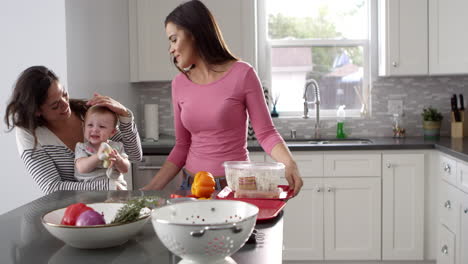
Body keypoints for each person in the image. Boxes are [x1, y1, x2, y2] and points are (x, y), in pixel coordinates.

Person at [142, 0, 303, 196]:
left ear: (195, 34)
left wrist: (289, 163)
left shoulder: (243, 74)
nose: (171, 49)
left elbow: (266, 133)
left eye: (174, 39)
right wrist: (149, 190)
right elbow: (182, 145)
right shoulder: (179, 83)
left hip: (234, 186)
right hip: (191, 186)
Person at [4, 66, 142, 194]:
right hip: (69, 212)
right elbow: (52, 187)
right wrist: (108, 186)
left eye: (64, 94)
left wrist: (125, 116)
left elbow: (135, 157)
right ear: (37, 111)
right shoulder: (30, 133)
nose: (65, 105)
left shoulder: (88, 115)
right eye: (55, 105)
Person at [75, 105, 130, 190]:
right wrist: (97, 156)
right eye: (90, 125)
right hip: (91, 189)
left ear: (112, 132)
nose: (95, 130)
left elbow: (125, 169)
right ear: (84, 128)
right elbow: (81, 168)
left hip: (116, 188)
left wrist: (119, 160)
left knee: (120, 191)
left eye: (102, 126)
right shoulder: (82, 147)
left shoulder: (117, 146)